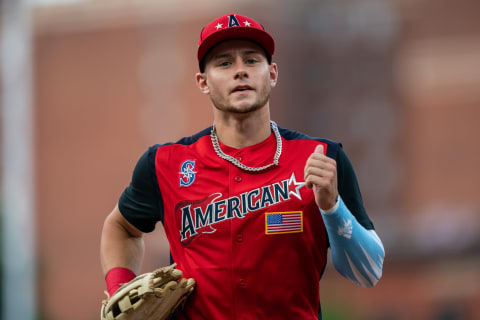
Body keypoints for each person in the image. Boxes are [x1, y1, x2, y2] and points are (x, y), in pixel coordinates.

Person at [100, 13, 385, 320]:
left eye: (251, 61)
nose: (240, 71)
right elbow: (120, 228)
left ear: (272, 73)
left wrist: (332, 208)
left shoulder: (320, 157)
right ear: (203, 82)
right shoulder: (166, 163)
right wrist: (120, 291)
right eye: (224, 63)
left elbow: (368, 272)